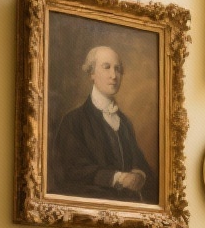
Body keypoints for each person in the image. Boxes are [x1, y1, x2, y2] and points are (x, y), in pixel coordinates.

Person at [50, 46, 157, 203]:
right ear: (92, 73)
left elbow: (139, 162)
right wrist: (118, 178)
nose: (114, 75)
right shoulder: (73, 121)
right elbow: (71, 170)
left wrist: (139, 174)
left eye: (118, 69)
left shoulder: (125, 123)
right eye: (106, 67)